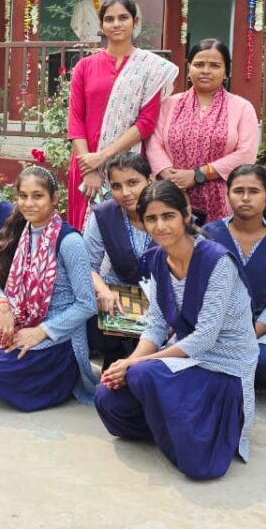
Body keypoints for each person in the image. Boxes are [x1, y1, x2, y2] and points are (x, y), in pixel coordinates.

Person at [94, 180, 258, 480]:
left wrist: (139, 363)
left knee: (142, 374)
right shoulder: (157, 260)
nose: (160, 226)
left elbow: (205, 337)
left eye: (168, 216)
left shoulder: (217, 261)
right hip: (185, 361)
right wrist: (130, 362)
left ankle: (196, 432)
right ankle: (176, 427)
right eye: (151, 218)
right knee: (108, 394)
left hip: (224, 367)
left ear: (185, 215)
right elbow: (157, 324)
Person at [0, 166, 97, 412]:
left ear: (54, 199)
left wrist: (41, 332)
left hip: (57, 337)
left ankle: (55, 383)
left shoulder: (69, 241)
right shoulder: (20, 232)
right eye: (23, 196)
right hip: (20, 320)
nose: (29, 203)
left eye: (38, 196)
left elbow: (87, 304)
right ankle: (5, 361)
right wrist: (1, 303)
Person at [66, 0, 177, 229]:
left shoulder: (150, 68)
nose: (116, 24)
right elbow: (75, 120)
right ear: (101, 25)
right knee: (86, 231)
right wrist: (89, 168)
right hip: (86, 163)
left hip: (130, 166)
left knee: (128, 228)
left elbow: (146, 123)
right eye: (109, 19)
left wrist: (103, 156)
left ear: (135, 22)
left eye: (123, 18)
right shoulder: (85, 66)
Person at [203, 165, 266, 388]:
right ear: (228, 194)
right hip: (212, 325)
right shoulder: (208, 235)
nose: (246, 198)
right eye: (238, 191)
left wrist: (245, 336)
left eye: (254, 191)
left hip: (258, 328)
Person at [146, 39, 259, 223]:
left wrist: (198, 175)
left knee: (217, 240)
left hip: (223, 199)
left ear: (226, 72)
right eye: (199, 64)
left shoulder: (242, 108)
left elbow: (246, 153)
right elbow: (154, 144)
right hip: (171, 196)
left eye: (215, 66)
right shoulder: (169, 104)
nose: (206, 71)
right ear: (189, 68)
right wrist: (171, 177)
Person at [84, 151, 154, 370]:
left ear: (150, 180)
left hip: (162, 298)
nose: (125, 193)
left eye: (133, 183)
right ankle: (113, 356)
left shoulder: (168, 211)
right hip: (118, 296)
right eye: (116, 186)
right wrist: (102, 290)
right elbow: (87, 265)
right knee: (83, 304)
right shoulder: (103, 215)